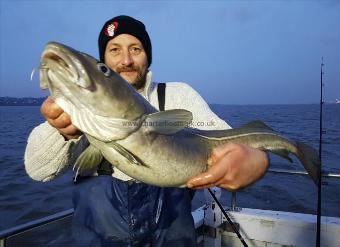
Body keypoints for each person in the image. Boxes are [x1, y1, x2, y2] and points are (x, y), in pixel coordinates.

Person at [25, 15, 269, 246]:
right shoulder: (81, 110)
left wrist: (257, 159)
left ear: (147, 56)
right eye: (114, 50)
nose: (126, 60)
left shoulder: (178, 95)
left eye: (135, 49)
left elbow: (229, 143)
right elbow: (38, 171)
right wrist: (63, 132)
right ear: (105, 57)